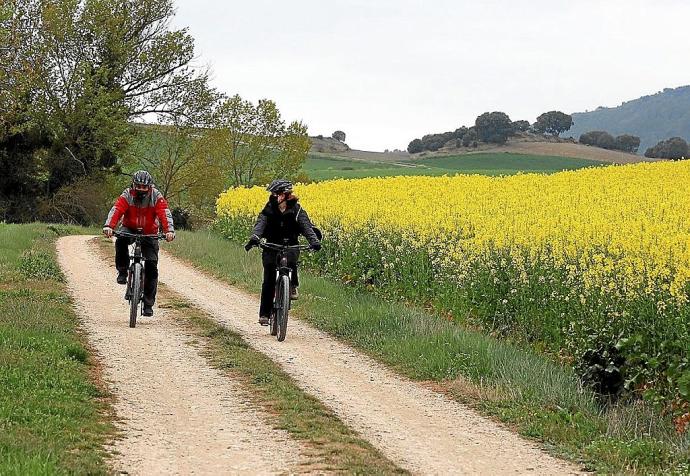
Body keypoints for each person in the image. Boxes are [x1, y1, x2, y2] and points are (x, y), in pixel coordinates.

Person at [245, 179, 321, 326]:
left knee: (292, 261)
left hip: (290, 244)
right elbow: (260, 224)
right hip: (271, 246)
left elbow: (306, 227)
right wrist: (255, 238)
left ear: (286, 195)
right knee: (269, 279)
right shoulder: (269, 209)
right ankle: (265, 314)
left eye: (278, 194)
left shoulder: (297, 210)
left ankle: (292, 285)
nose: (275, 196)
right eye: (274, 194)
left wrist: (314, 241)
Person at [102, 170, 175, 316]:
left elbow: (164, 213)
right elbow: (117, 209)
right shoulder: (127, 194)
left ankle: (148, 305)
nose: (141, 189)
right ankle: (122, 271)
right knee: (121, 240)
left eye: (144, 187)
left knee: (152, 267)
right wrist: (109, 226)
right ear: (133, 185)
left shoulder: (156, 196)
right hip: (129, 227)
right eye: (138, 186)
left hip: (150, 231)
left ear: (149, 187)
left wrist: (169, 231)